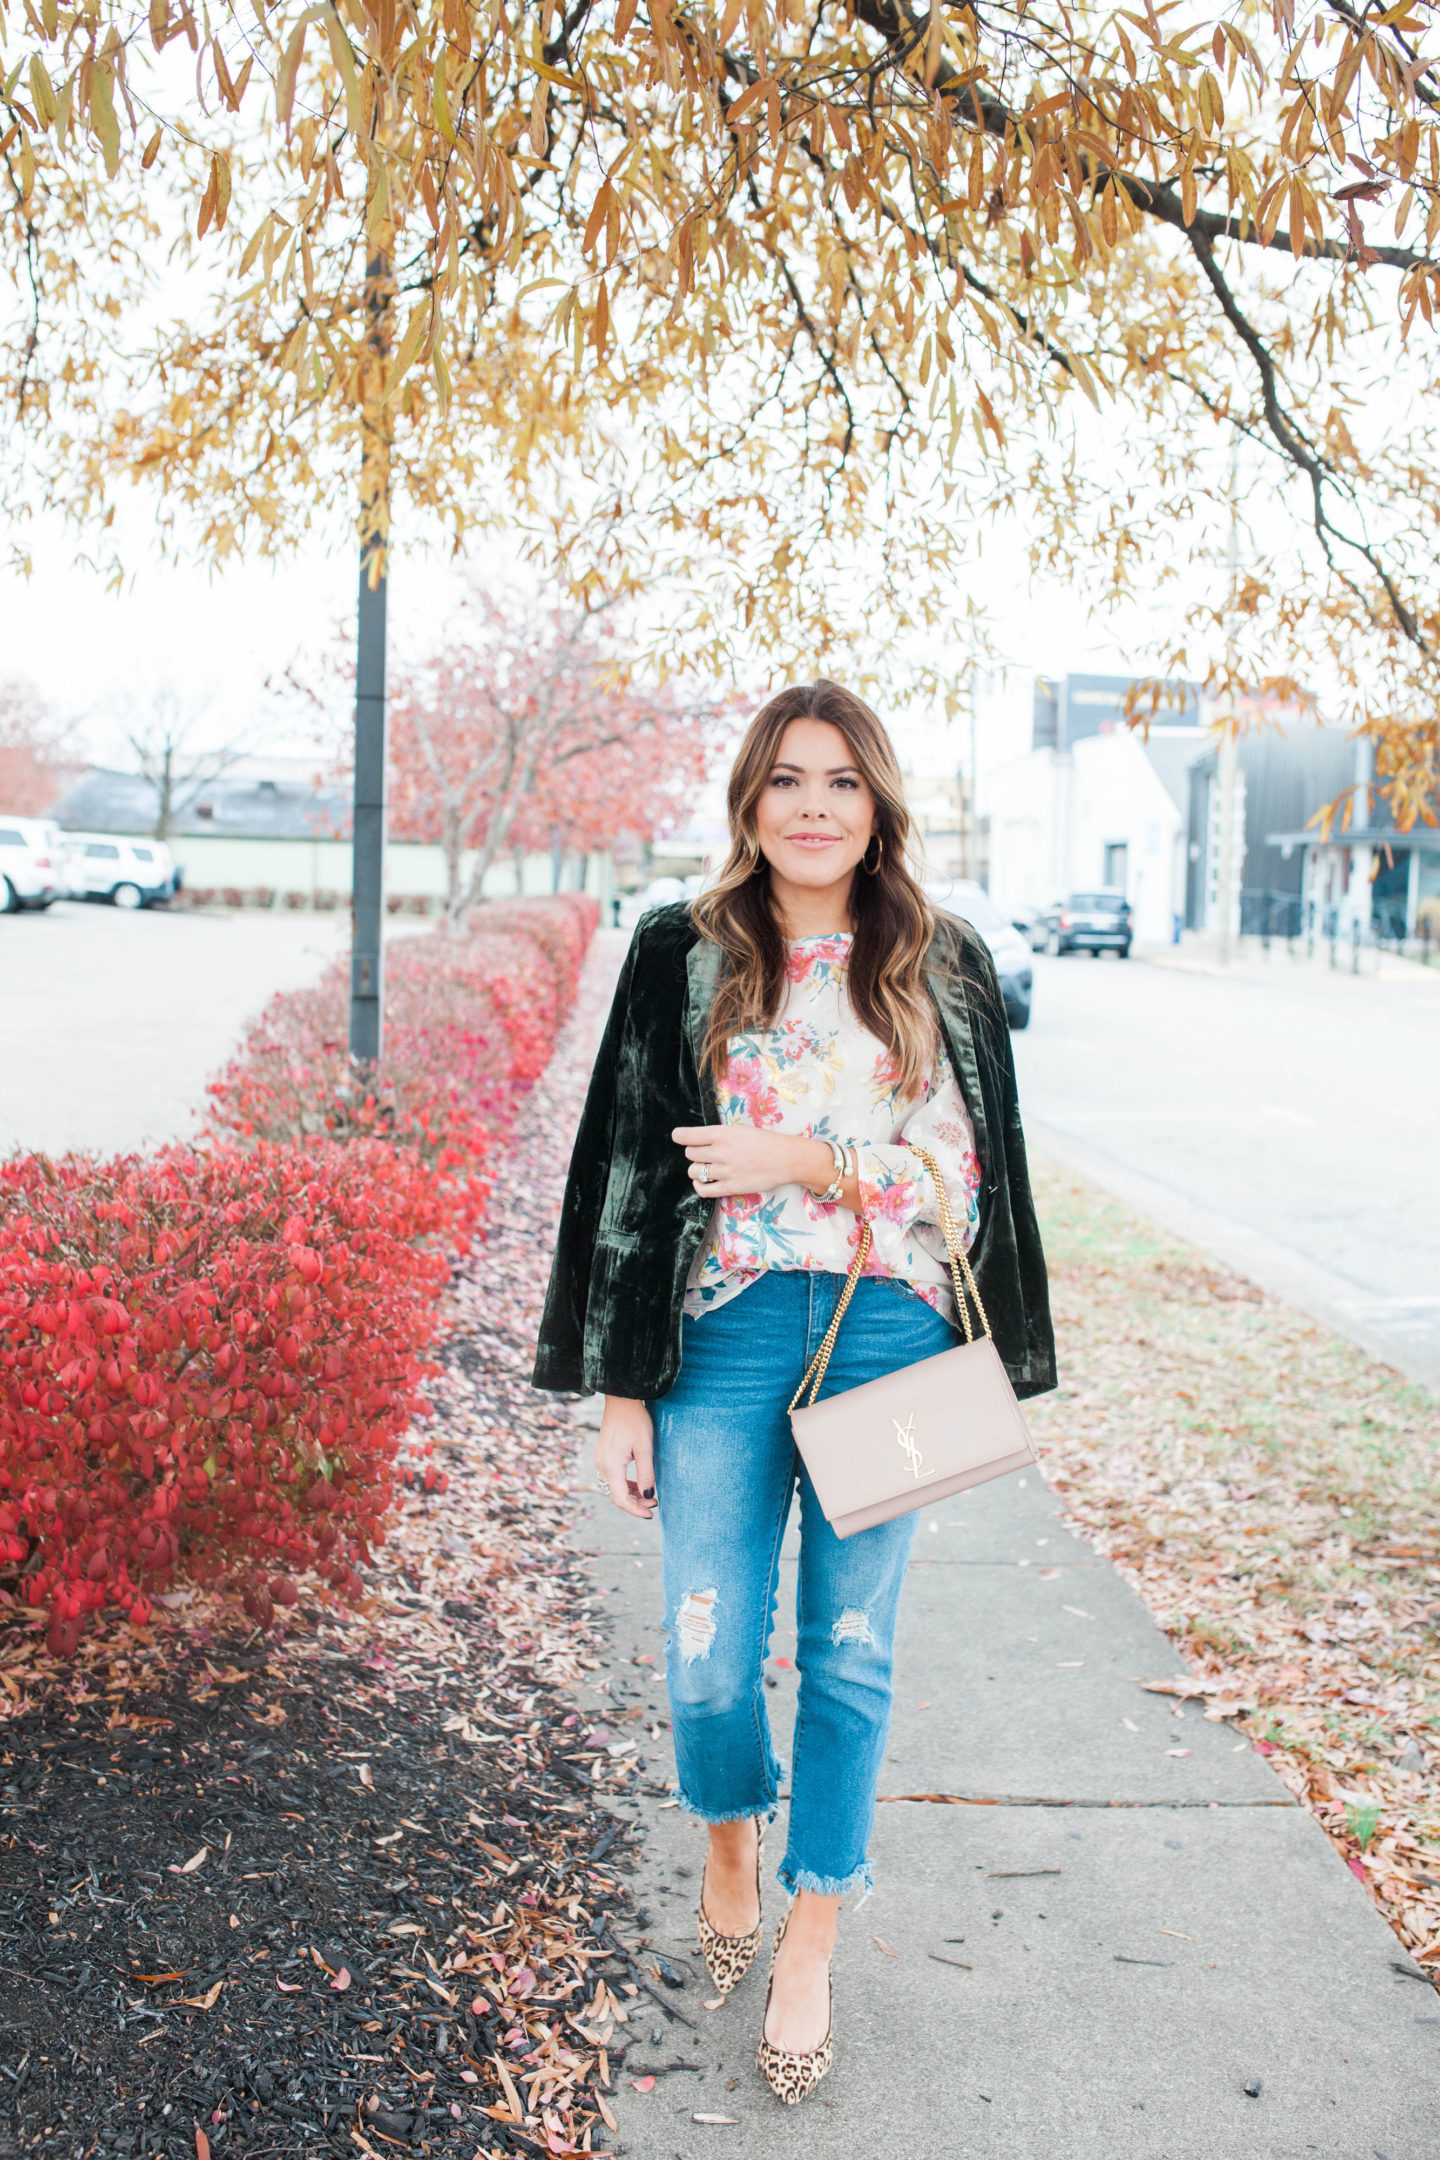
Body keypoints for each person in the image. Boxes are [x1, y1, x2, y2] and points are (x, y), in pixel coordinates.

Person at [533, 681, 1055, 2104]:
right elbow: (629, 1168)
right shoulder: (682, 951)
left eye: (840, 781)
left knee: (853, 1651)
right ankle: (728, 1832)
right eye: (786, 780)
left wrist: (811, 1164)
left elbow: (969, 1181)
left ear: (879, 804)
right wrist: (620, 1391)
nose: (814, 805)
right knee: (707, 1649)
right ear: (750, 803)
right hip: (721, 1332)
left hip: (890, 1328)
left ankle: (814, 1932)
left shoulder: (940, 962)